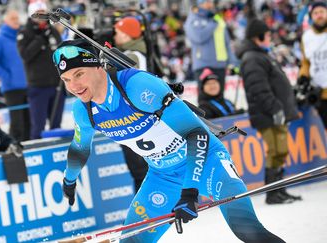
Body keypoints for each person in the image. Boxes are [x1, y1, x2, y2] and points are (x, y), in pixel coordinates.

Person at [54, 39, 284, 242]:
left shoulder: (137, 86)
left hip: (207, 163)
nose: (74, 86)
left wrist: (190, 191)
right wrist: (69, 180)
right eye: (66, 80)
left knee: (248, 231)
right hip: (162, 176)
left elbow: (197, 134)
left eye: (79, 74)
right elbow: (80, 147)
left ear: (97, 66)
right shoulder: (83, 110)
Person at [237, 19, 301, 204]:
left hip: (273, 113)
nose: (270, 38)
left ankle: (280, 190)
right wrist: (275, 109)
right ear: (258, 37)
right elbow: (258, 89)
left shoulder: (260, 55)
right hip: (269, 115)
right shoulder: (252, 58)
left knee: (280, 152)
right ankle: (273, 193)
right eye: (267, 34)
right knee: (276, 151)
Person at [17, 1, 65, 139]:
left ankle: (57, 151)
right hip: (38, 86)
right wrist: (40, 39)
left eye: (44, 14)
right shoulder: (25, 33)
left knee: (56, 124)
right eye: (39, 14)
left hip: (57, 84)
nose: (42, 17)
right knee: (38, 125)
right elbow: (25, 55)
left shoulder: (52, 31)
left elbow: (61, 51)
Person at [113, 16, 149, 192]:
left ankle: (149, 212)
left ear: (127, 36)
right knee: (140, 169)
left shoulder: (132, 55)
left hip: (133, 116)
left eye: (118, 33)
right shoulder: (136, 53)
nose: (115, 36)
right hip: (136, 114)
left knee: (139, 170)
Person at [0, 9, 30, 142]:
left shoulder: (23, 36)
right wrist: (6, 76)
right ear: (5, 21)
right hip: (12, 88)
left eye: (17, 18)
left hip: (29, 84)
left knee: (30, 122)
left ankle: (31, 147)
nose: (16, 21)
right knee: (17, 124)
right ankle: (15, 150)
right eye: (12, 18)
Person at [184, 0, 239, 103]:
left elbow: (226, 43)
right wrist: (212, 24)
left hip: (220, 65)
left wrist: (233, 62)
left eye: (211, 1)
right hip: (204, 65)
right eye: (207, 2)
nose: (210, 4)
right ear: (200, 4)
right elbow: (198, 37)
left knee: (219, 97)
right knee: (206, 100)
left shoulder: (217, 19)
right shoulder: (194, 19)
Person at [298, 1, 327, 128]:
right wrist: (303, 76)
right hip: (321, 92)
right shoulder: (307, 37)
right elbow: (305, 62)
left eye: (322, 12)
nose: (319, 15)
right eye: (315, 13)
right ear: (311, 16)